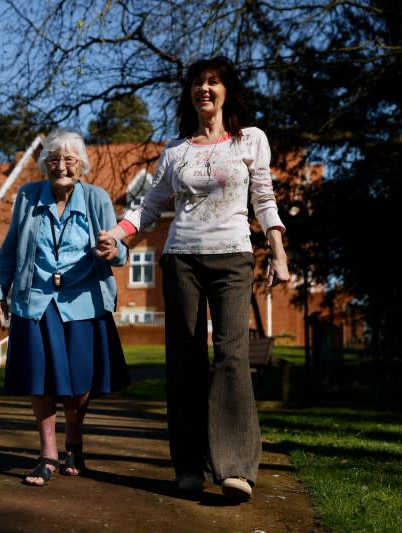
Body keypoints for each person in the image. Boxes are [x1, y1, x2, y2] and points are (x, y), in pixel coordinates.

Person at [97, 56, 290, 501]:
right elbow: (148, 208)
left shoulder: (250, 140)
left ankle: (236, 467)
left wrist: (277, 252)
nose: (205, 89)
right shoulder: (175, 152)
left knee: (231, 357)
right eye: (198, 83)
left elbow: (264, 197)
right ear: (190, 95)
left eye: (213, 82)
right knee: (184, 361)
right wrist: (116, 234)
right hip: (180, 258)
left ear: (226, 90)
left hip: (234, 258)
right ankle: (187, 466)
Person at [0, 129, 131, 486]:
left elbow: (119, 249)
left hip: (83, 300)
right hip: (34, 300)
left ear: (81, 164)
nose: (61, 166)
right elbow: (9, 250)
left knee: (80, 381)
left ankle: (75, 441)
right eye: (54, 159)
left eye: (69, 160)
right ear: (44, 164)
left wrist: (114, 251)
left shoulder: (96, 198)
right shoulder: (27, 197)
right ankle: (47, 455)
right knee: (41, 379)